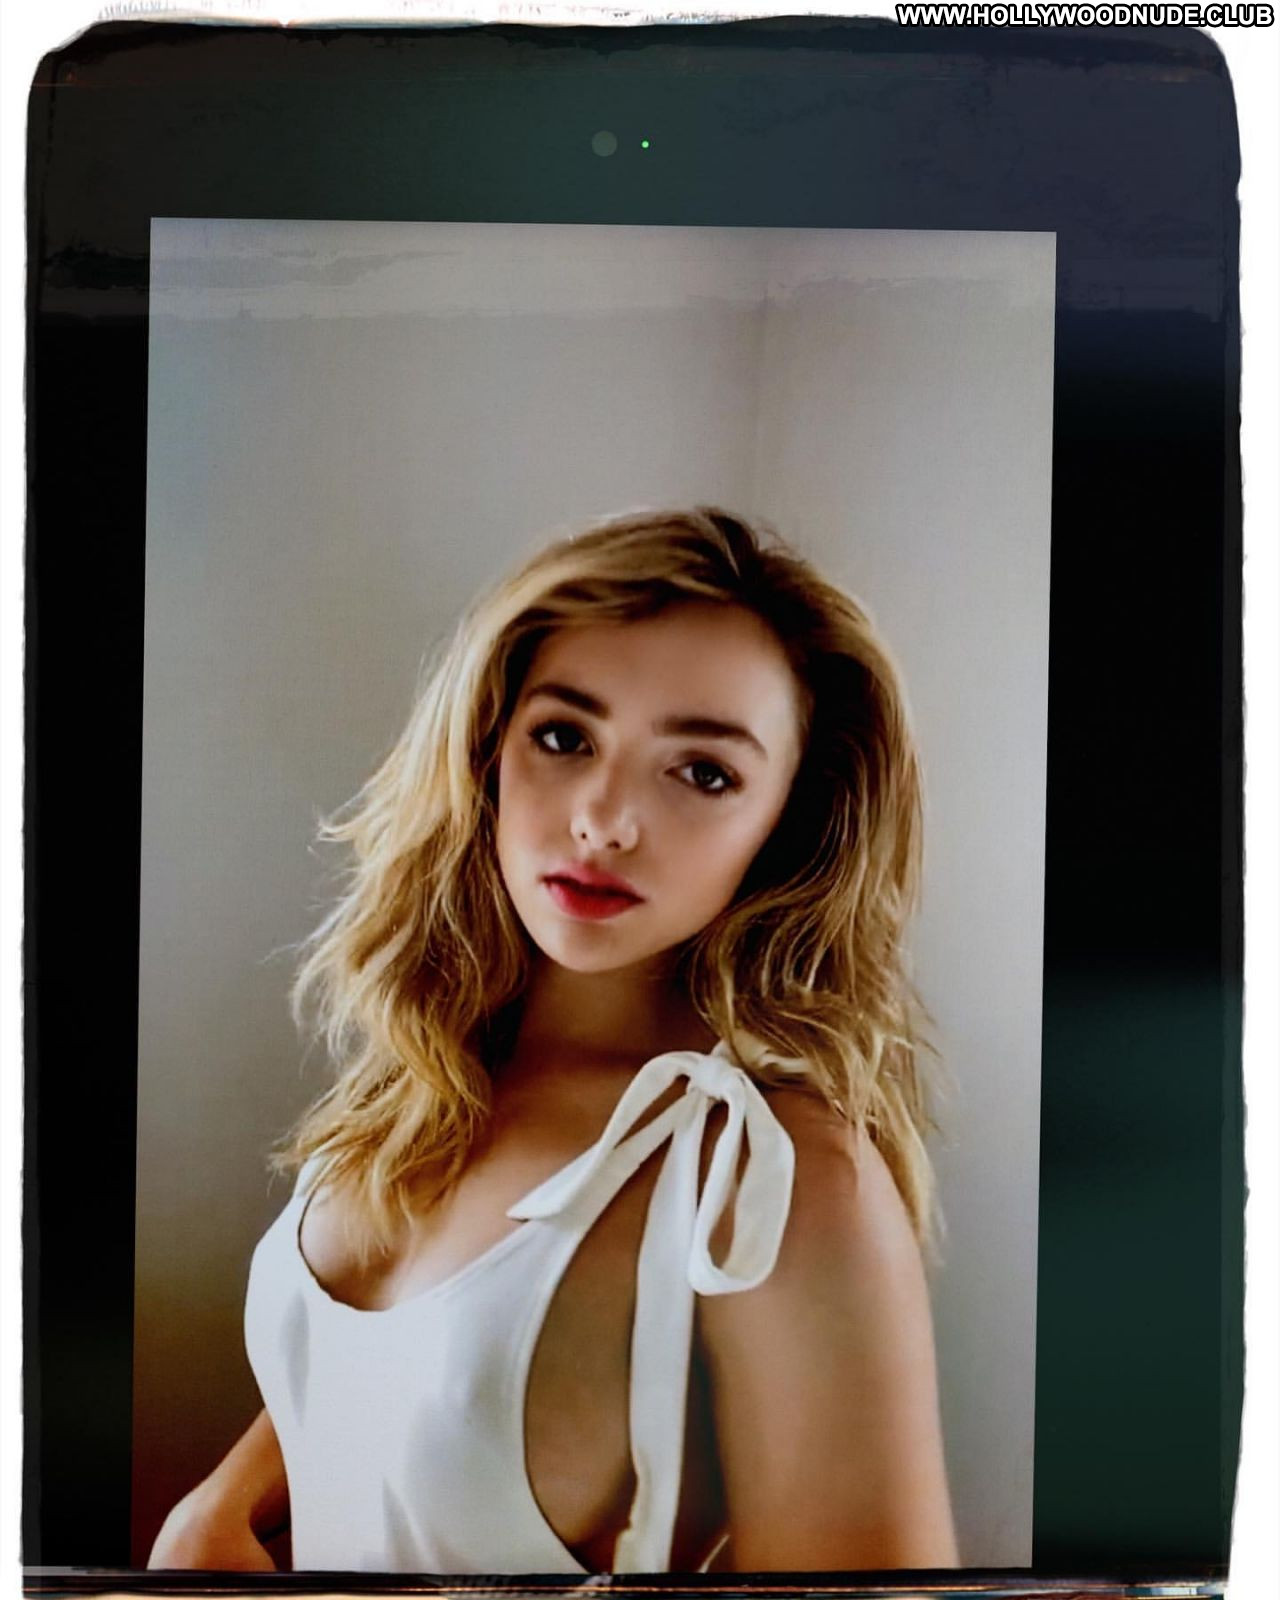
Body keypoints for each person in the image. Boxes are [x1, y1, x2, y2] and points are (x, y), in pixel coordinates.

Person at [148, 506, 958, 1574]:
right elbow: (406, 1380)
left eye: (703, 772)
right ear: (486, 750)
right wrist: (218, 1506)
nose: (602, 817)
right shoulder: (433, 1071)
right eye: (565, 737)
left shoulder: (769, 1182)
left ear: (789, 823)